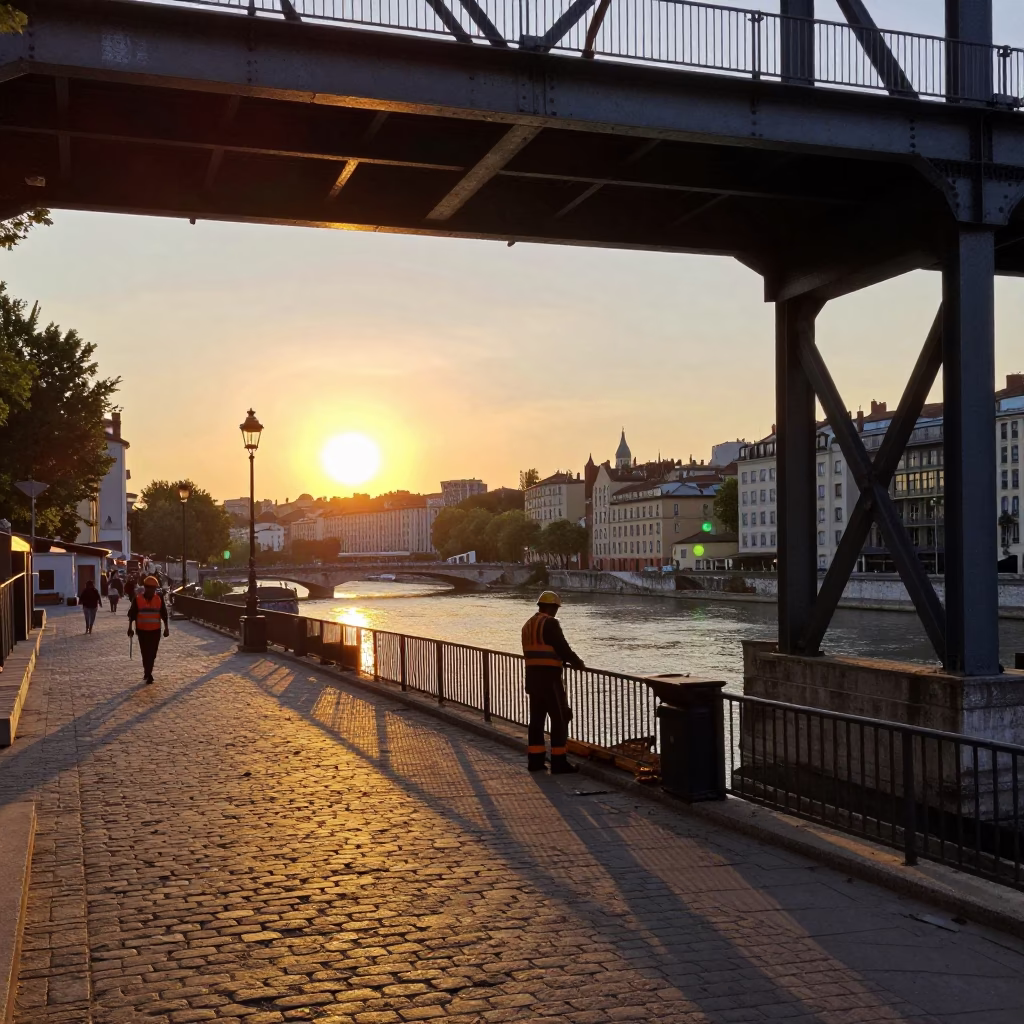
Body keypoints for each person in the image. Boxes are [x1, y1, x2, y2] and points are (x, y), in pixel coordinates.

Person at [521, 590, 585, 774]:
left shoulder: (528, 624)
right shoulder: (550, 623)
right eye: (556, 608)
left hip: (532, 678)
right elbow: (562, 646)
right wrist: (577, 662)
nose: (556, 612)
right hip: (550, 679)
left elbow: (540, 648)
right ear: (551, 607)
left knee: (537, 720)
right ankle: (558, 762)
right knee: (560, 718)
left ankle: (535, 760)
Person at [127, 575, 169, 684]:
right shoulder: (138, 599)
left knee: (152, 653)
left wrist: (166, 628)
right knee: (145, 653)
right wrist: (130, 628)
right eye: (150, 588)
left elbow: (164, 613)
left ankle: (148, 671)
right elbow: (132, 614)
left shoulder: (159, 598)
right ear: (146, 588)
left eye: (154, 588)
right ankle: (148, 672)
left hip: (155, 631)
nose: (152, 590)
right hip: (142, 631)